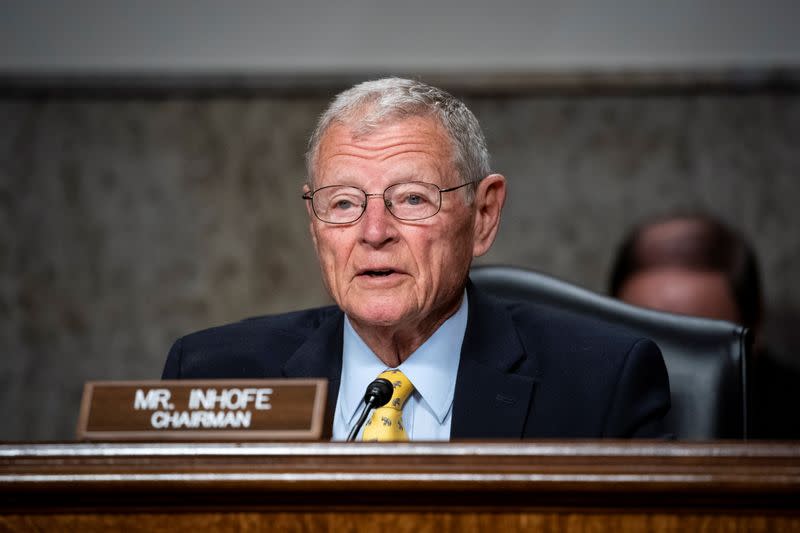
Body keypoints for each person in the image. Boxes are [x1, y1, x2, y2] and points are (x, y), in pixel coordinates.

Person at [162, 78, 670, 440]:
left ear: (484, 215)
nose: (374, 234)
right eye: (342, 203)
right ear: (315, 225)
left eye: (411, 199)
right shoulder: (214, 376)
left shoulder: (601, 386)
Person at [609, 213, 800, 439]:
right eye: (642, 336)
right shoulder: (595, 407)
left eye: (691, 340)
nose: (662, 363)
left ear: (753, 325)